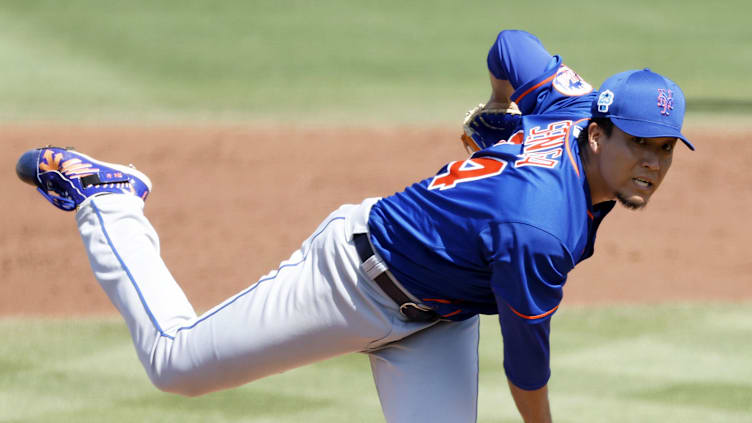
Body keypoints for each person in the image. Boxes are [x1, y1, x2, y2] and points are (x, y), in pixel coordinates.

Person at [16, 29, 693, 423]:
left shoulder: (569, 104)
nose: (652, 166)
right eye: (639, 144)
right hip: (350, 277)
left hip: (439, 318)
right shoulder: (542, 226)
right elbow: (527, 372)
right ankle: (108, 198)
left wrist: (495, 109)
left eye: (665, 149)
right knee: (176, 364)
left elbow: (512, 45)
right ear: (598, 134)